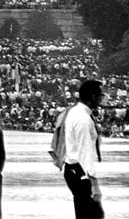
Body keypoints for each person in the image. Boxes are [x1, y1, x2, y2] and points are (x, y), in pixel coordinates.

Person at [64, 80, 105, 218]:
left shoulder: (76, 111)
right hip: (81, 171)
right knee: (93, 215)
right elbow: (85, 152)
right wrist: (94, 185)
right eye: (101, 95)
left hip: (73, 169)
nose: (102, 98)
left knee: (85, 213)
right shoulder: (84, 119)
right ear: (93, 96)